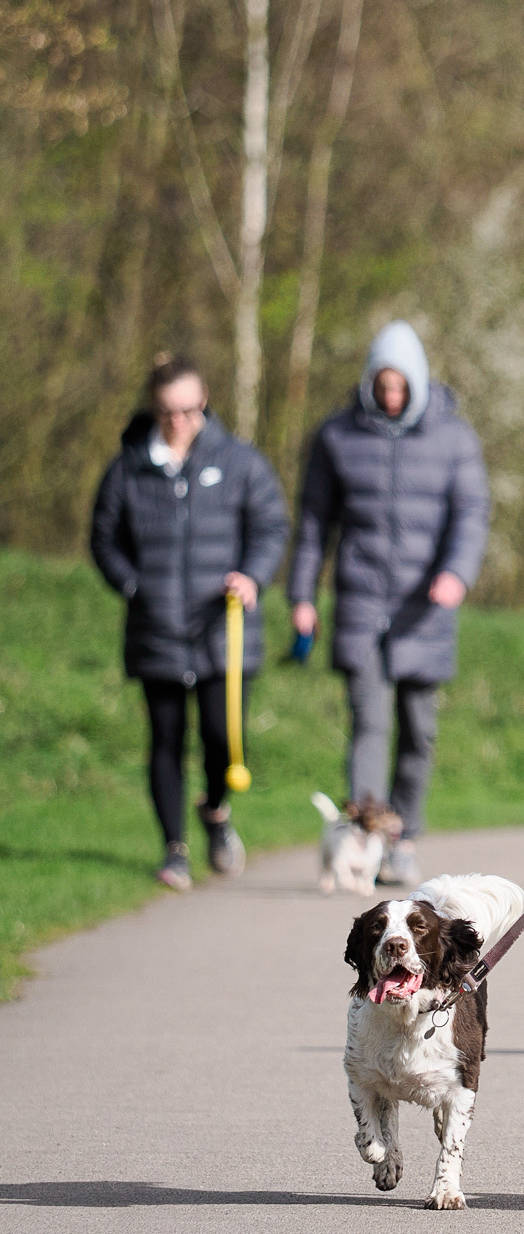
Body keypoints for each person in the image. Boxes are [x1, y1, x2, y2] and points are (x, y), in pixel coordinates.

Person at [288, 321, 489, 890]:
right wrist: (302, 595)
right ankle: (367, 842)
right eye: (382, 385)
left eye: (401, 385)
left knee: (418, 731)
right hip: (360, 605)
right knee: (369, 726)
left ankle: (405, 840)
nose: (391, 395)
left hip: (424, 610)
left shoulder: (454, 439)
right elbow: (313, 524)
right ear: (369, 381)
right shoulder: (337, 437)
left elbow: (471, 515)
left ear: (418, 382)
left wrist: (456, 573)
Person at [89, 354, 290, 890]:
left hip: (223, 630)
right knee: (166, 740)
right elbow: (104, 539)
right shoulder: (128, 468)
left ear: (204, 403)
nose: (179, 421)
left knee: (224, 739)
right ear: (154, 408)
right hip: (156, 628)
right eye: (168, 412)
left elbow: (271, 526)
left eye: (188, 410)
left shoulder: (241, 462)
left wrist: (252, 576)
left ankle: (216, 811)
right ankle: (174, 849)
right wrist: (133, 586)